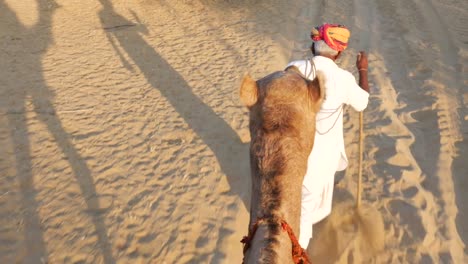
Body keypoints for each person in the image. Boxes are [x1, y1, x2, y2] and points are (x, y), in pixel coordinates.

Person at [286, 23, 370, 248]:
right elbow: (362, 102)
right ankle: (299, 251)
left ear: (314, 45)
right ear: (339, 52)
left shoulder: (293, 67)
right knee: (306, 207)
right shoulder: (344, 79)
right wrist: (362, 69)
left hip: (289, 148)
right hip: (321, 156)